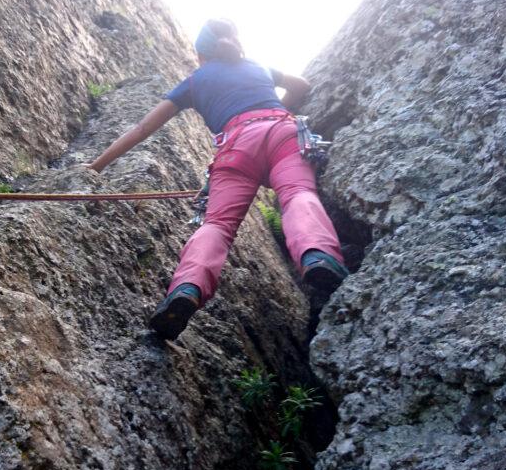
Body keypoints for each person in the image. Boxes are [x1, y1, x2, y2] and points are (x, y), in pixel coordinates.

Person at [89, 19, 348, 339]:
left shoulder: (195, 81)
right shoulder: (256, 66)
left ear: (200, 55)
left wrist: (96, 166)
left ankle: (185, 289)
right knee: (296, 192)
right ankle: (317, 255)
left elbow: (142, 129)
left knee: (217, 226)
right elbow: (302, 86)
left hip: (235, 149)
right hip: (281, 133)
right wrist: (275, 112)